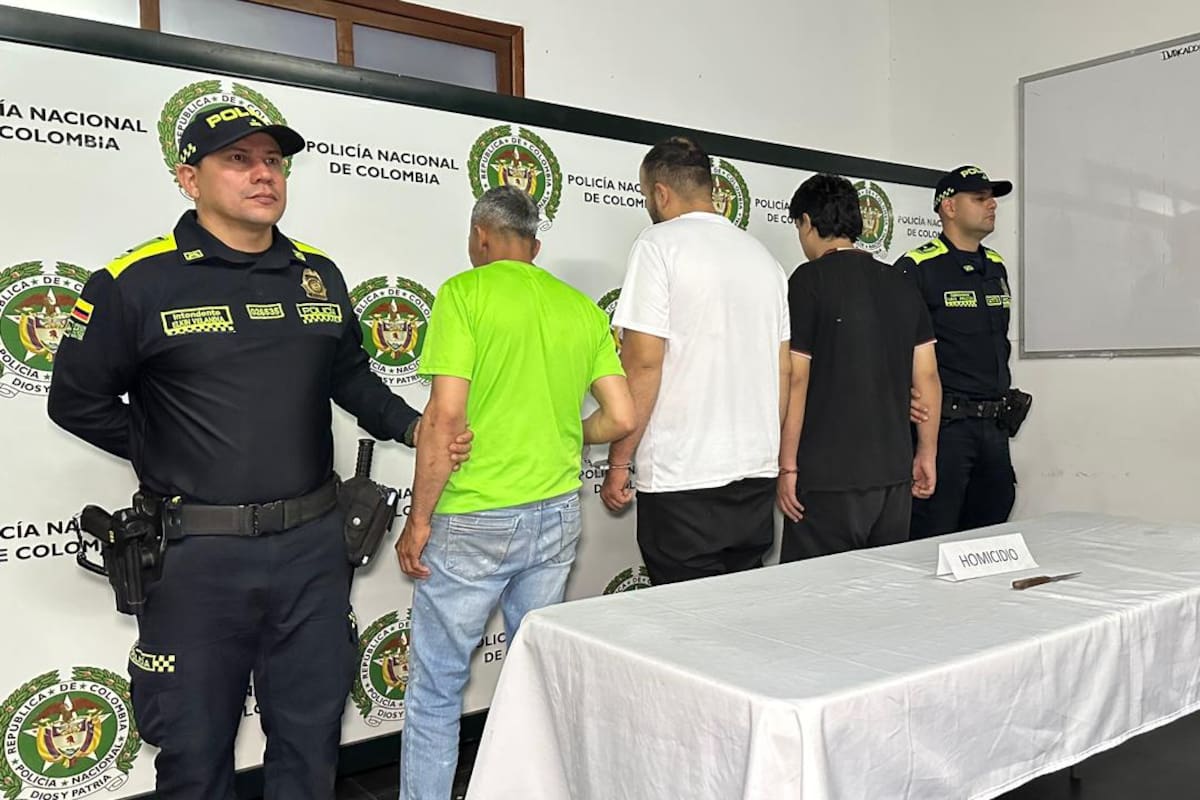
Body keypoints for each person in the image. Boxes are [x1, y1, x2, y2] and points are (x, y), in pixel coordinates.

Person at [47, 104, 470, 800]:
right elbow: (76, 400)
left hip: (311, 548)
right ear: (190, 178)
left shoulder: (318, 276)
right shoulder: (136, 282)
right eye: (237, 159)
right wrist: (166, 448)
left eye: (272, 160)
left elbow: (348, 376)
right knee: (193, 748)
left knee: (309, 738)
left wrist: (414, 427)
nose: (262, 174)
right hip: (195, 558)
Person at [395, 185, 635, 800]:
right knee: (537, 681)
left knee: (436, 688)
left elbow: (445, 419)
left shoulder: (464, 294)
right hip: (554, 516)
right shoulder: (579, 308)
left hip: (472, 517)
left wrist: (418, 520)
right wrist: (569, 431)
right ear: (536, 243)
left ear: (481, 235)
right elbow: (622, 416)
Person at [599, 136, 790, 585]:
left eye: (647, 196)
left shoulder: (659, 245)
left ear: (661, 193)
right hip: (755, 476)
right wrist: (767, 452)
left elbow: (644, 364)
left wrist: (620, 460)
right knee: (739, 616)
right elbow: (783, 371)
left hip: (683, 477)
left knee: (687, 630)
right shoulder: (764, 260)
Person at [776, 174, 941, 560]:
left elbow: (796, 377)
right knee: (880, 601)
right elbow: (928, 377)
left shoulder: (807, 281)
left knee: (817, 604)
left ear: (808, 223)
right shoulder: (900, 283)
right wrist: (927, 453)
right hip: (893, 477)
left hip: (826, 478)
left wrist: (786, 467)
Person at [895, 165, 1025, 539]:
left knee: (990, 532)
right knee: (932, 536)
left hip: (994, 426)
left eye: (993, 199)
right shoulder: (917, 267)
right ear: (949, 207)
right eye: (980, 198)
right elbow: (892, 348)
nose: (992, 206)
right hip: (945, 429)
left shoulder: (996, 265)